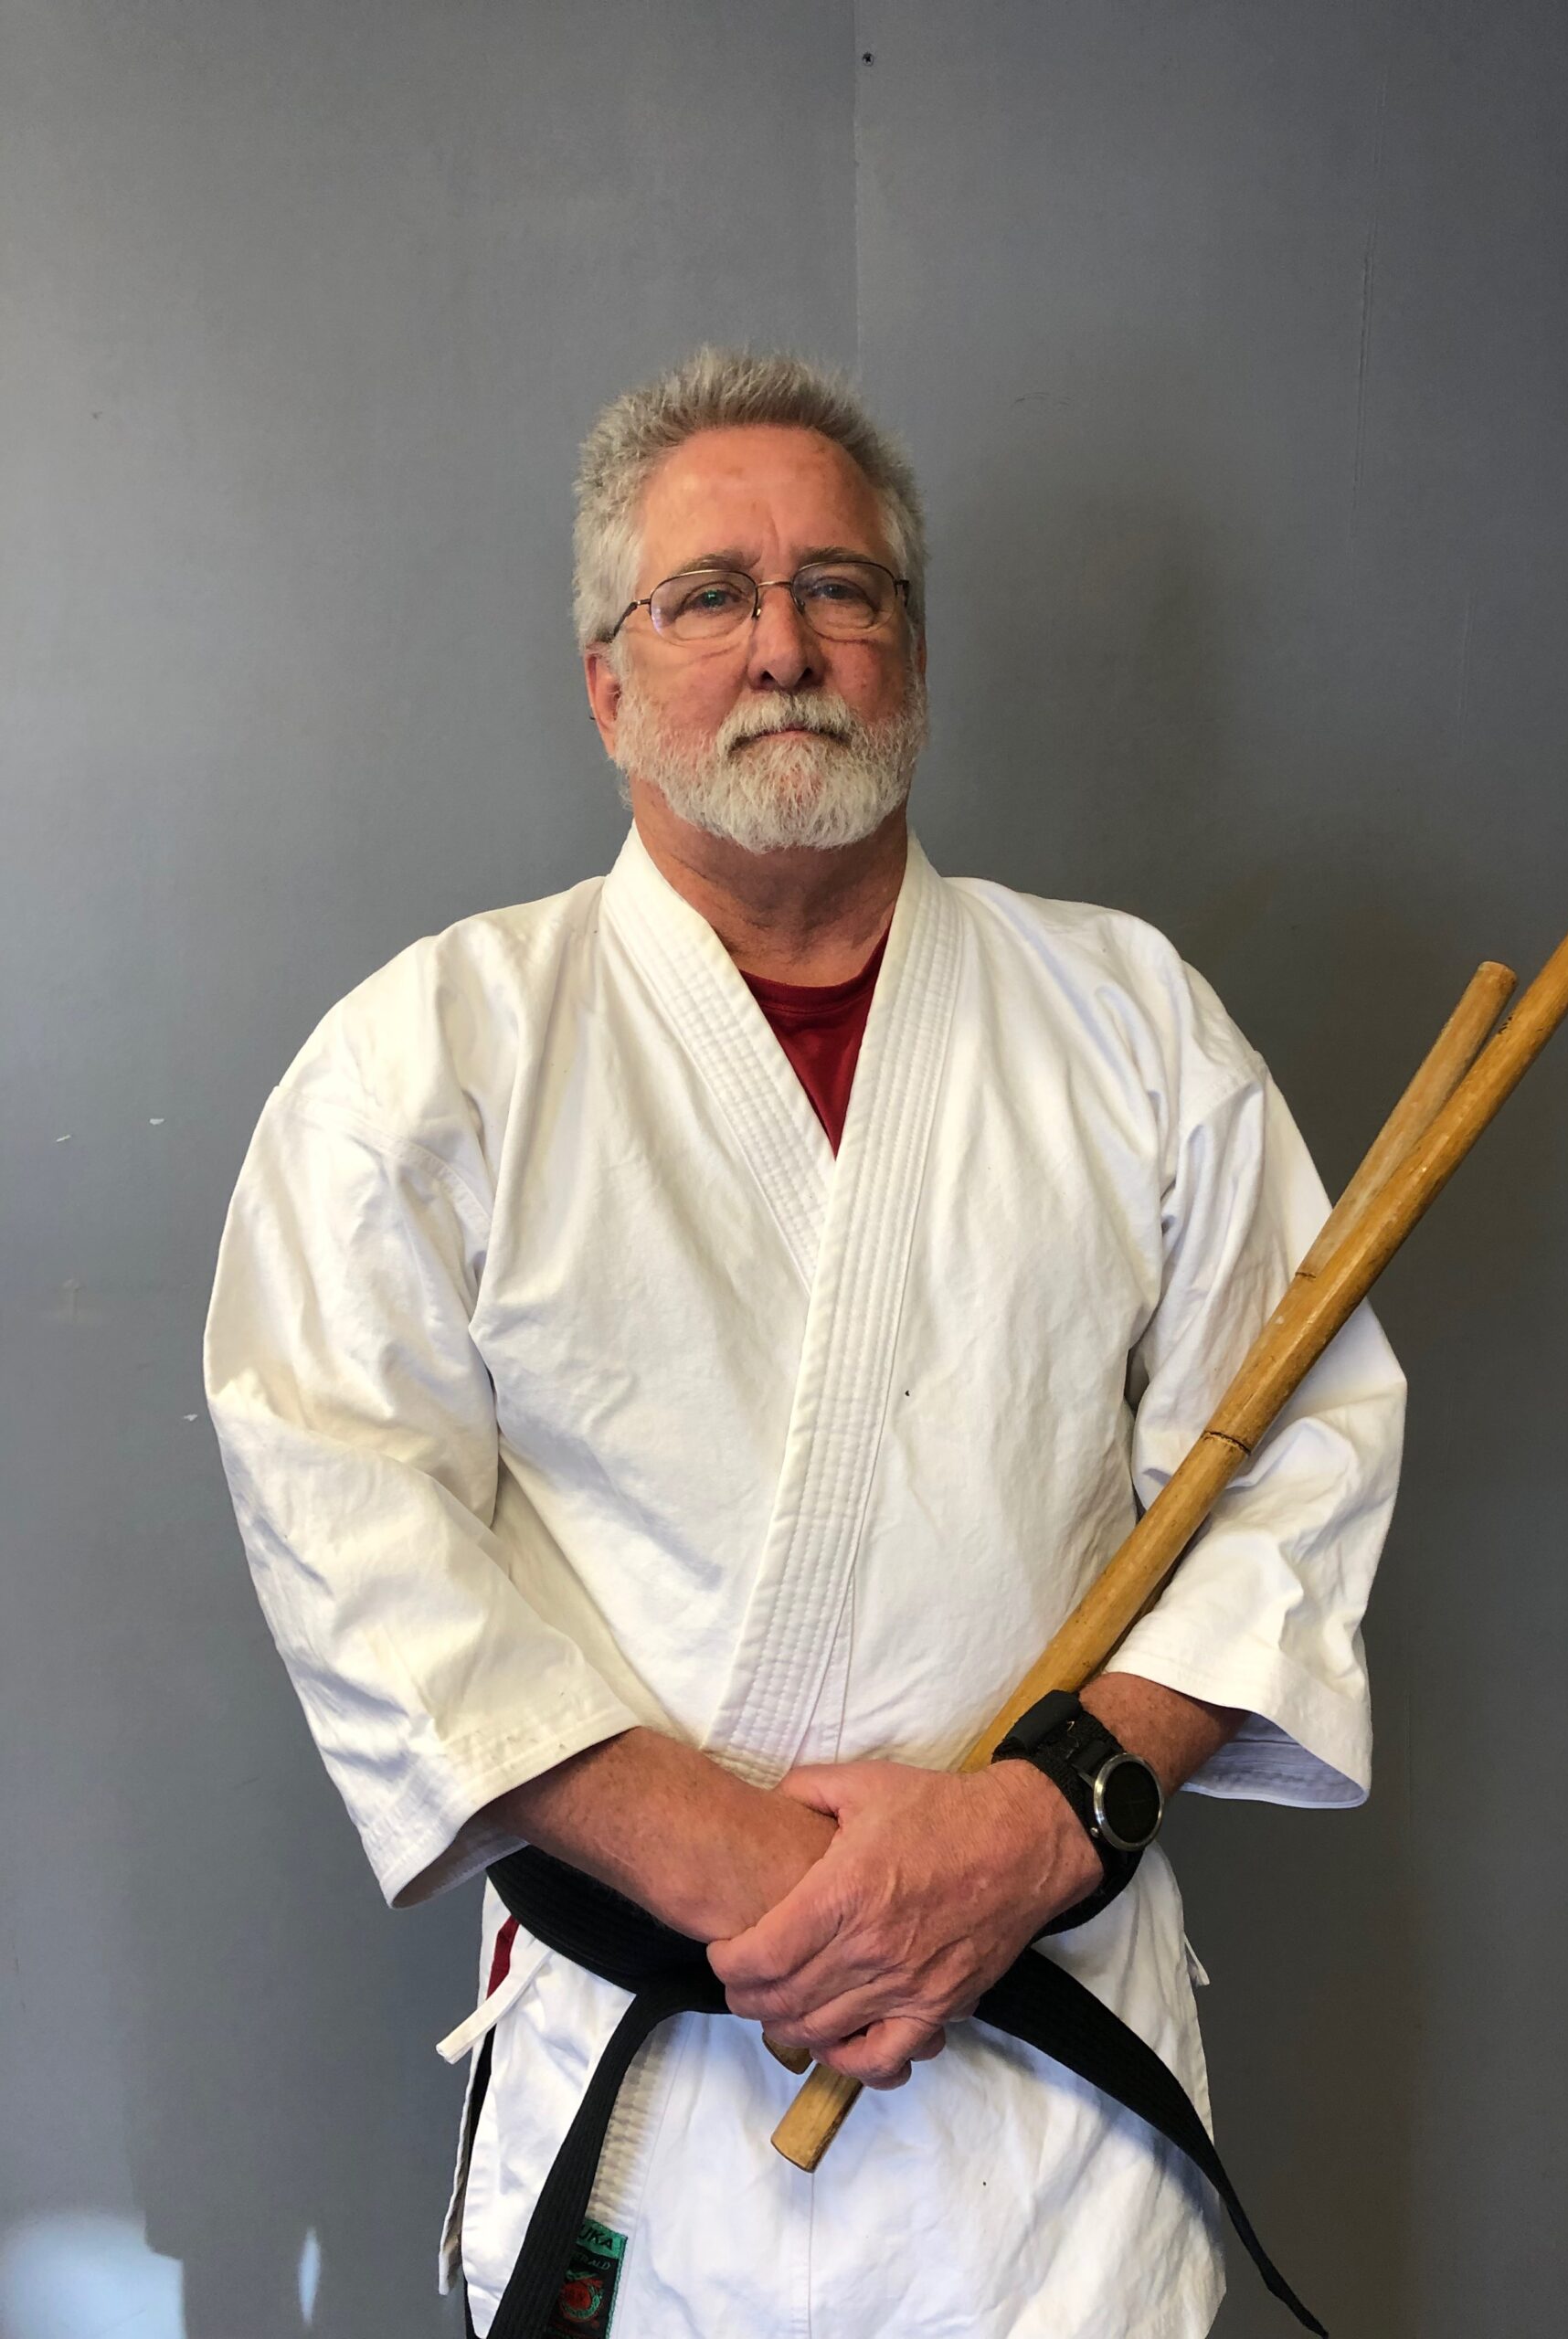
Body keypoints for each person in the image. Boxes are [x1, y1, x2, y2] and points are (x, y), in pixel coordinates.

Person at [205, 348, 1404, 2339]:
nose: (785, 643)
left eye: (841, 587)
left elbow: (1301, 1455)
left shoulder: (1130, 1019)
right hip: (663, 2097)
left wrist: (1035, 1827)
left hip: (1046, 2118)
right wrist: (765, 1878)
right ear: (609, 682)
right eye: (709, 596)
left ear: (909, 653)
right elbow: (346, 1517)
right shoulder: (435, 1054)